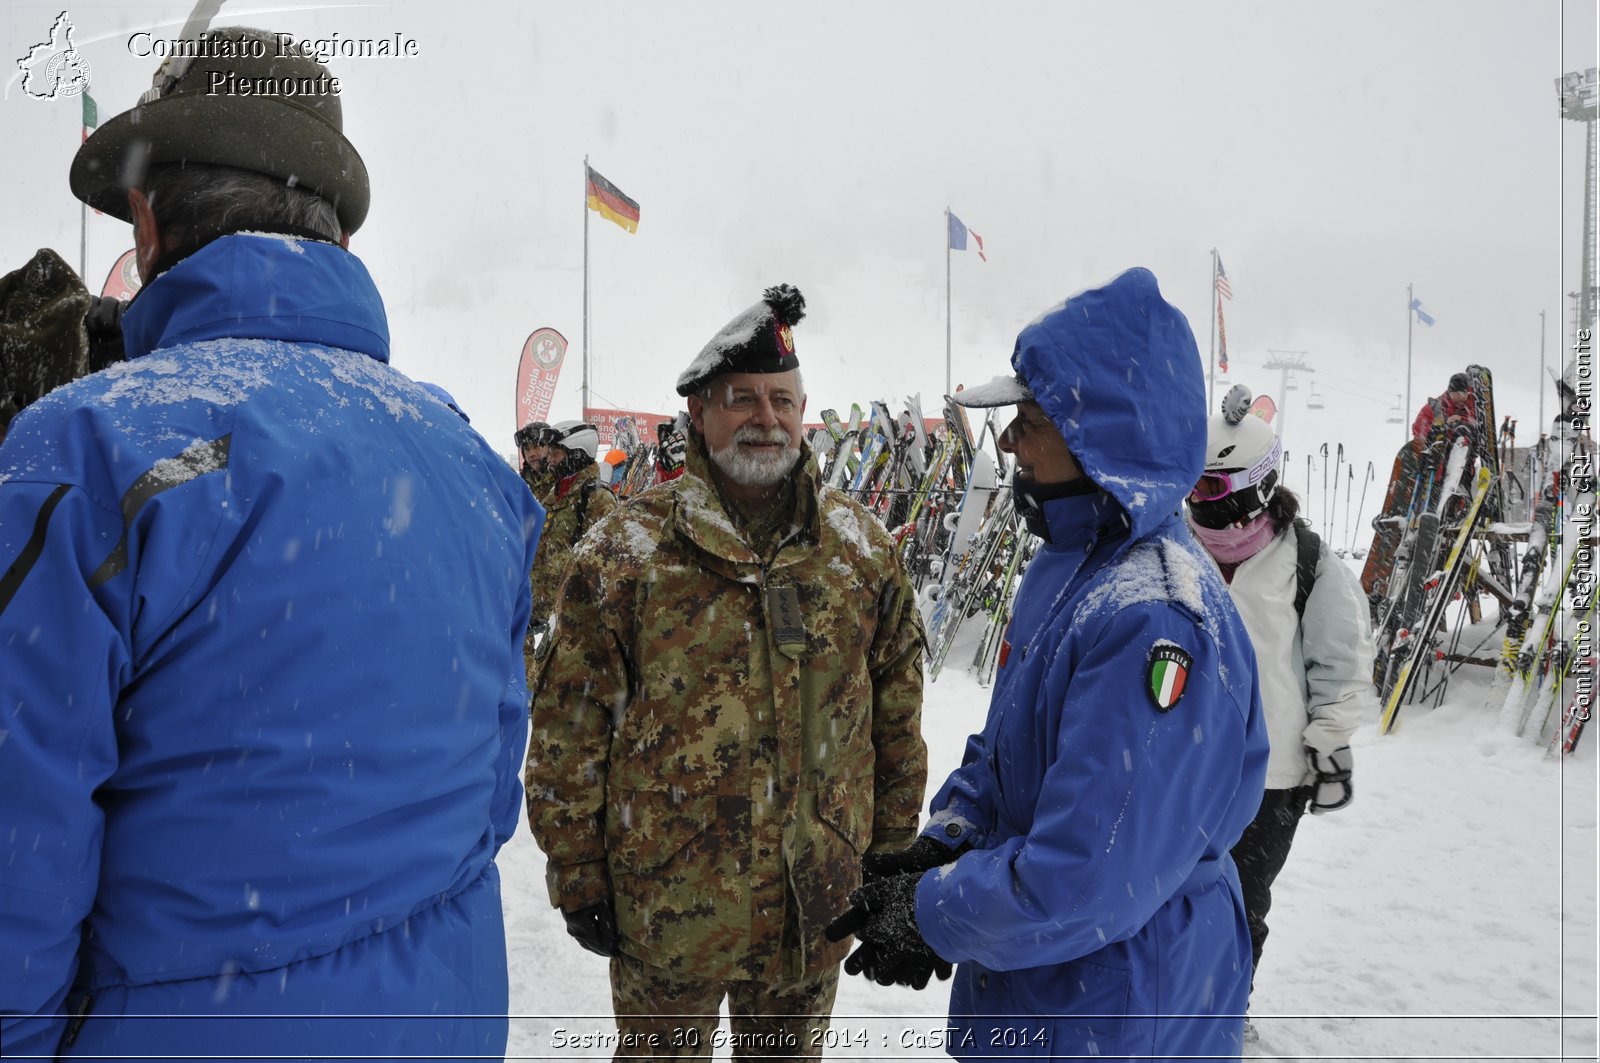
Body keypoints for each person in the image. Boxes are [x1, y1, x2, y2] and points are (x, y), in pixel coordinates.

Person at [0, 29, 543, 1059]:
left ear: (149, 223)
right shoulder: (467, 459)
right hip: (439, 1018)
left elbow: (13, 842)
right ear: (334, 231)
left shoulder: (90, 445)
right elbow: (486, 792)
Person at [826, 267, 1269, 1059]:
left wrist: (933, 913)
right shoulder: (1069, 567)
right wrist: (951, 838)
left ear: (1101, 433)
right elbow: (1008, 753)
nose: (1006, 441)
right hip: (1047, 995)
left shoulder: (1155, 619)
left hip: (1120, 1008)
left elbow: (1087, 874)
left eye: (1029, 418)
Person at [525, 283, 927, 1058]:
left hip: (815, 908)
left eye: (782, 399)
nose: (765, 418)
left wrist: (889, 859)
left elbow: (897, 717)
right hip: (667, 909)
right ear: (698, 416)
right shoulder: (625, 553)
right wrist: (576, 872)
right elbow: (569, 730)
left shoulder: (860, 549)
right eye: (741, 399)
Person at [1186, 385, 1372, 1043]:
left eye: (1214, 486)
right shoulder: (1178, 547)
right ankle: (1166, 1007)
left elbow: (1340, 658)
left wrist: (1330, 740)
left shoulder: (1306, 560)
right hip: (1182, 762)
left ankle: (1221, 1015)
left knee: (1239, 901)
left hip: (1270, 775)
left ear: (1256, 484)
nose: (1201, 500)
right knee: (1171, 896)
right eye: (1194, 483)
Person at [525, 418, 615, 636]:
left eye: (556, 454)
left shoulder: (596, 498)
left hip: (573, 622)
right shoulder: (552, 496)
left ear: (577, 454)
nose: (550, 461)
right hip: (542, 616)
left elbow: (606, 569)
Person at [1411, 371, 1477, 442]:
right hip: (1444, 450)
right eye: (1452, 394)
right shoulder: (1436, 407)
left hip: (1471, 448)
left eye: (1459, 394)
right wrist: (1443, 426)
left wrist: (1462, 420)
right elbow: (1418, 430)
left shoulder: (1476, 404)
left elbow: (1478, 424)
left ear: (1467, 392)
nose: (1456, 398)